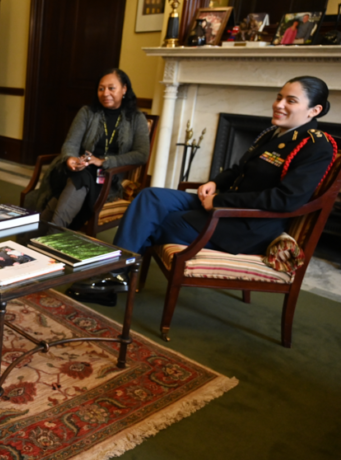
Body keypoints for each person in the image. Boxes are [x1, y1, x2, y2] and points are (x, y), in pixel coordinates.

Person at [70, 76, 336, 306]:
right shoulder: (273, 133)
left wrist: (221, 200)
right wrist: (216, 183)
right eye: (279, 97)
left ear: (314, 110)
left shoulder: (316, 146)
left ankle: (111, 279)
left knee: (155, 221)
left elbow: (287, 199)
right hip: (222, 206)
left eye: (291, 101)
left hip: (245, 225)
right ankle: (115, 274)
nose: (278, 105)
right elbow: (238, 169)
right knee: (150, 196)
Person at [30, 68, 150, 232]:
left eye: (111, 88)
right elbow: (71, 143)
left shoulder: (136, 118)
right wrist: (70, 158)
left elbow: (141, 154)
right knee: (80, 175)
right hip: (79, 169)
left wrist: (104, 161)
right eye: (101, 88)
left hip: (108, 178)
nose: (105, 93)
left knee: (74, 185)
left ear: (124, 89)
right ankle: (50, 237)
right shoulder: (87, 112)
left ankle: (42, 235)